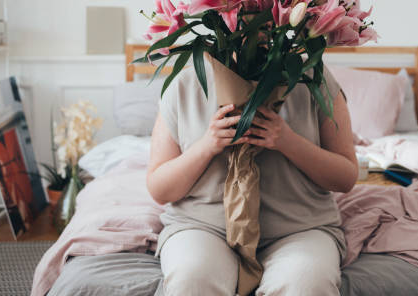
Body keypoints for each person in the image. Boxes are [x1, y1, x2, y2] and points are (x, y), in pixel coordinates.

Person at [147, 64, 357, 296]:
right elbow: (160, 189)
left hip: (300, 228)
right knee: (192, 278)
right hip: (202, 226)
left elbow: (345, 178)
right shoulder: (186, 82)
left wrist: (287, 141)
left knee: (306, 284)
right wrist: (207, 146)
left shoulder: (313, 76)